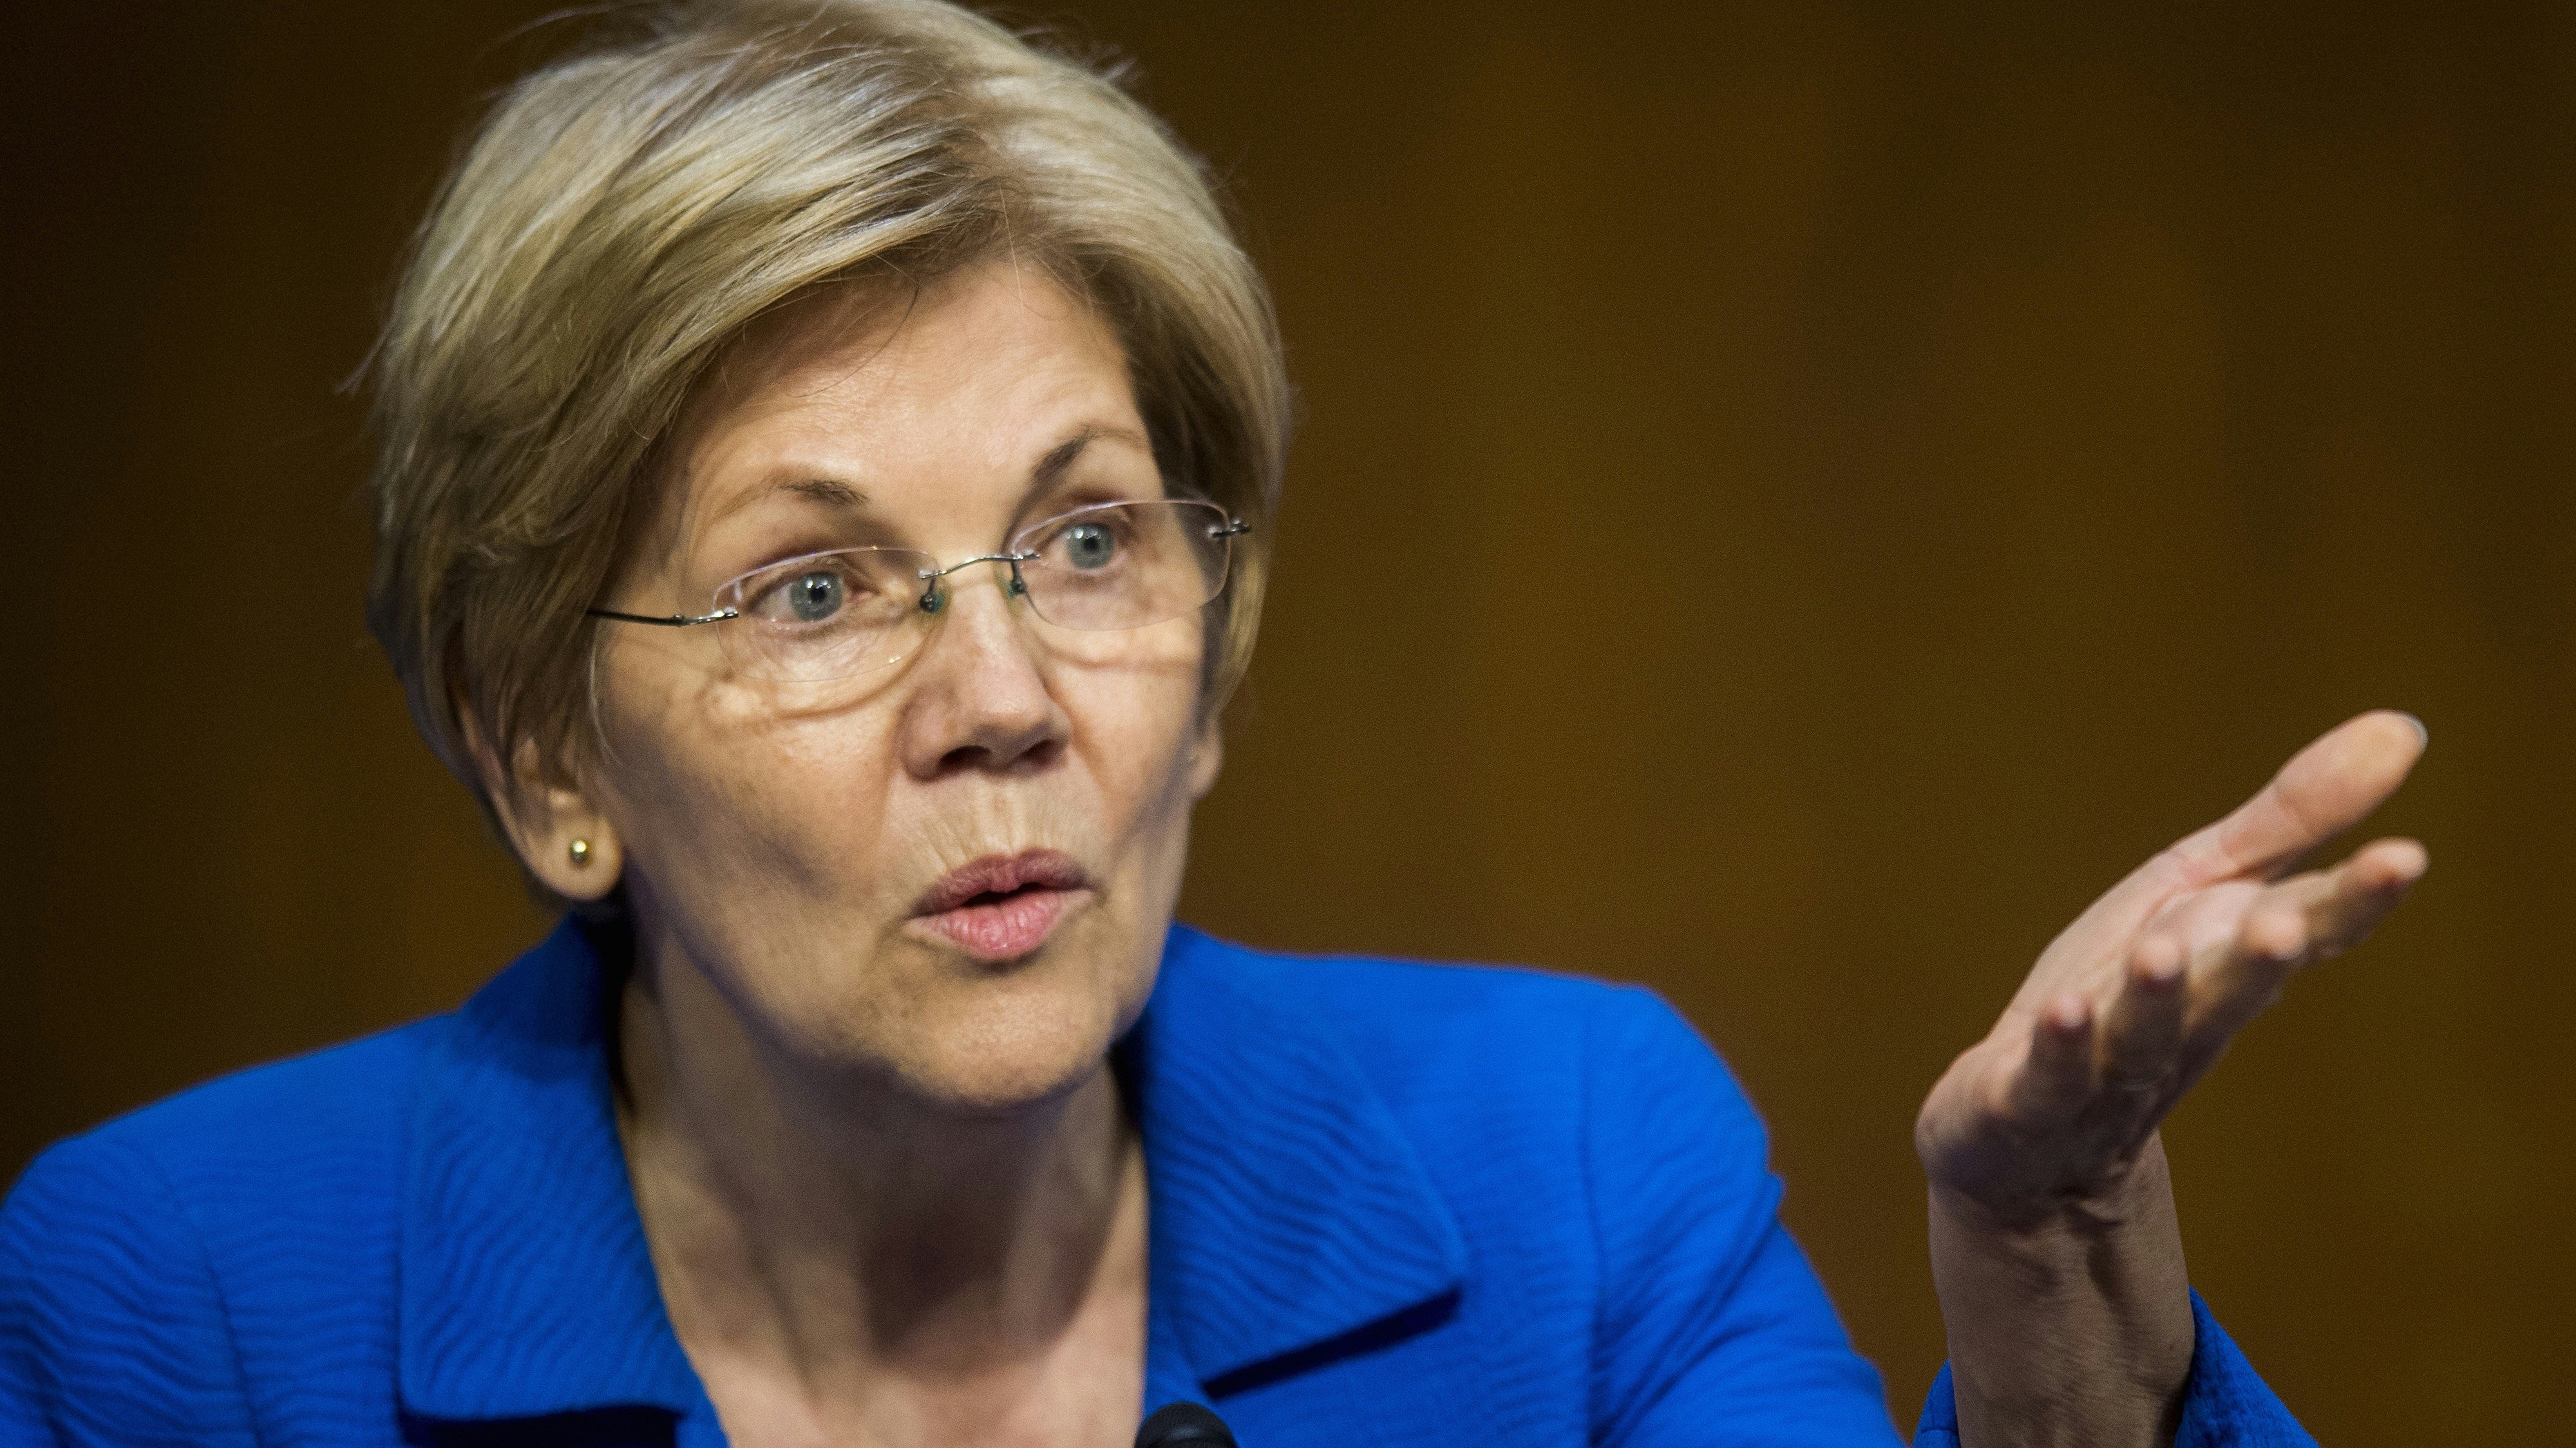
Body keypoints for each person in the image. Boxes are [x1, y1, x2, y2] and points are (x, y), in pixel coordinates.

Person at [0, 3, 2427, 1445]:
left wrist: (2049, 1280)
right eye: (818, 587)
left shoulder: (1572, 1181)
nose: (1006, 703)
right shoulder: (179, 1309)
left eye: (1084, 539)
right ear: (545, 748)